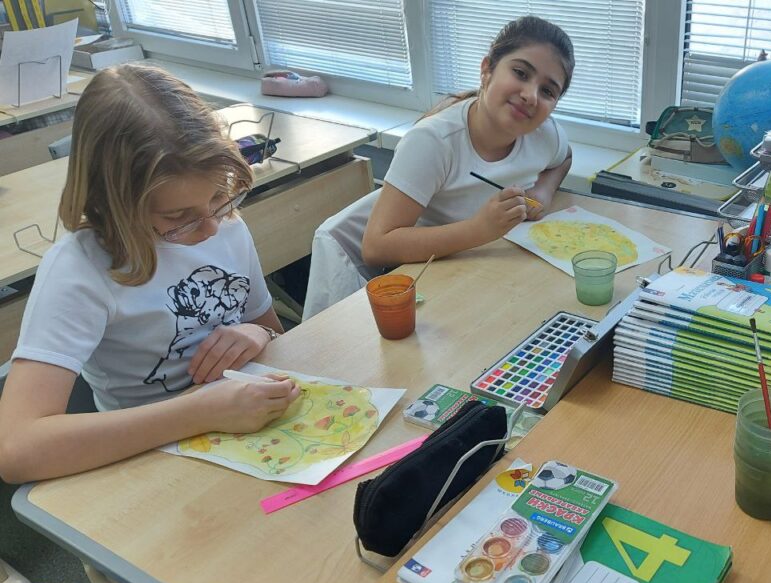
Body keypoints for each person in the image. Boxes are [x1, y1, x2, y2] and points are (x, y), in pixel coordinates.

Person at [0, 65, 300, 484]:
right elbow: (16, 449)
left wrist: (258, 333)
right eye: (177, 217)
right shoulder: (80, 270)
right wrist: (201, 412)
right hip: (147, 463)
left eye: (219, 196)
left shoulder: (223, 222)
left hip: (243, 432)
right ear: (116, 201)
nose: (211, 228)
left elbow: (274, 333)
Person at [304, 15, 575, 318]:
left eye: (548, 91)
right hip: (417, 284)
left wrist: (544, 190)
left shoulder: (546, 134)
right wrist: (479, 229)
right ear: (487, 69)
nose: (530, 96)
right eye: (521, 73)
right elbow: (376, 247)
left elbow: (564, 158)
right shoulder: (433, 142)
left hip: (478, 274)